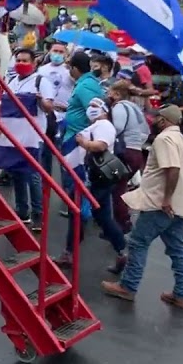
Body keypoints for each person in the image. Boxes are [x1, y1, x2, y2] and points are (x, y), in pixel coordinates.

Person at [101, 104, 183, 309]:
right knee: (177, 249)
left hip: (159, 204)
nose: (153, 121)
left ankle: (128, 286)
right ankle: (182, 294)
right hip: (180, 204)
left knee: (137, 243)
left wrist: (166, 199)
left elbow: (173, 169)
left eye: (156, 118)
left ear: (163, 120)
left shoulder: (164, 139)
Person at [55, 98, 127, 271]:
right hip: (96, 178)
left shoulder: (104, 125)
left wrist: (83, 143)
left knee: (77, 213)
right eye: (89, 106)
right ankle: (122, 252)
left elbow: (100, 145)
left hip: (92, 179)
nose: (91, 109)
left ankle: (69, 253)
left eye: (95, 106)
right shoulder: (99, 125)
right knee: (103, 218)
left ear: (104, 110)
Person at [3, 48, 54, 229]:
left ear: (34, 63)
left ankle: (37, 214)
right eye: (19, 60)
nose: (21, 64)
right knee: (17, 173)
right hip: (15, 135)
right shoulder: (12, 81)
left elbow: (49, 107)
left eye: (25, 61)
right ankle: (22, 212)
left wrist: (40, 100)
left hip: (33, 135)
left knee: (32, 175)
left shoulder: (41, 81)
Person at [107, 80, 148, 235]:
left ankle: (121, 224)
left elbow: (117, 128)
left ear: (117, 94)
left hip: (126, 152)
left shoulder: (119, 107)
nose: (108, 95)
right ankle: (121, 221)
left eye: (110, 92)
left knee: (117, 190)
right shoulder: (134, 108)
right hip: (136, 152)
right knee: (121, 187)